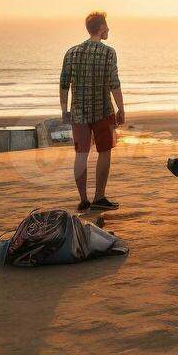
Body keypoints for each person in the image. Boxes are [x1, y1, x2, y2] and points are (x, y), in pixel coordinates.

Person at [59, 11, 125, 212]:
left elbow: (64, 84)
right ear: (102, 27)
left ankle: (83, 200)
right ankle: (99, 196)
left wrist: (64, 110)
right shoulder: (109, 52)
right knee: (104, 151)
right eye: (107, 25)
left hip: (78, 112)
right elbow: (114, 83)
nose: (109, 29)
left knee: (81, 154)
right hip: (103, 111)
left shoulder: (71, 52)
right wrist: (121, 108)